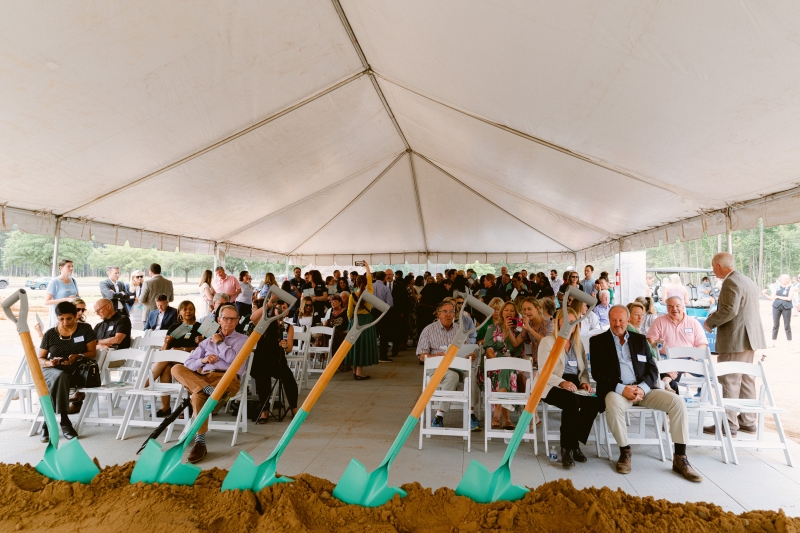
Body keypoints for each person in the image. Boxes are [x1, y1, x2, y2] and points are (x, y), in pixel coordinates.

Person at [590, 306, 702, 482]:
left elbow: (652, 369)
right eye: (613, 320)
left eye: (621, 320)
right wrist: (622, 389)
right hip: (618, 391)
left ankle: (680, 457)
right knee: (611, 402)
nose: (617, 324)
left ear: (628, 321)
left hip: (644, 390)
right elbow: (598, 374)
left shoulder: (639, 340)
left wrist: (642, 388)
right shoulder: (598, 342)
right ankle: (625, 451)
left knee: (677, 402)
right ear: (609, 320)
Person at [171, 304, 248, 462]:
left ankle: (200, 443)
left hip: (227, 378)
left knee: (197, 396)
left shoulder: (243, 340)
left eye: (233, 319)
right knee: (176, 369)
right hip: (204, 378)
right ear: (219, 320)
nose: (229, 322)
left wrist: (220, 343)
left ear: (237, 321)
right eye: (226, 318)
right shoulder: (206, 342)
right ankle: (209, 391)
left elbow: (234, 360)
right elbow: (189, 364)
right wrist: (204, 360)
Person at [703, 252, 767, 436]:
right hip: (749, 338)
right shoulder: (746, 280)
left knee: (729, 380)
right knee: (746, 379)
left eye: (713, 267)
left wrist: (710, 322)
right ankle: (748, 420)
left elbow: (730, 310)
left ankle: (728, 424)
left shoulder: (731, 282)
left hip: (735, 338)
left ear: (717, 266)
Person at [538, 308, 601, 468]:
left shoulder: (577, 344)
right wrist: (561, 383)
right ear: (559, 323)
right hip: (551, 383)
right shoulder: (547, 341)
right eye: (565, 321)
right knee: (571, 402)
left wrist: (585, 382)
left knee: (595, 402)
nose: (569, 325)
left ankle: (574, 443)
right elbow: (543, 372)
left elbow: (584, 370)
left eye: (573, 322)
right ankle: (567, 447)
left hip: (574, 382)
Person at [416, 300, 480, 431]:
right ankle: (439, 415)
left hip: (459, 365)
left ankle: (471, 413)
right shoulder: (429, 330)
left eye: (451, 311)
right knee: (452, 376)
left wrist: (470, 355)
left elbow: (468, 349)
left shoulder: (459, 331)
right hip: (437, 367)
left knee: (471, 375)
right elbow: (421, 356)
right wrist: (437, 356)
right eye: (445, 311)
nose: (448, 314)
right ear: (438, 314)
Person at [37, 302, 97, 442]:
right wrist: (49, 362)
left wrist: (78, 356)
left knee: (61, 378)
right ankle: (65, 421)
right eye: (61, 319)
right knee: (60, 376)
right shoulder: (50, 334)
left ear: (76, 315)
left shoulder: (85, 329)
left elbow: (92, 352)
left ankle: (47, 423)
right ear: (57, 318)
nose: (65, 322)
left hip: (76, 370)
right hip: (52, 370)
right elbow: (40, 358)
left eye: (69, 318)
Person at [250, 300, 299, 424]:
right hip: (262, 359)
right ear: (274, 309)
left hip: (278, 360)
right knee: (262, 378)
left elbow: (289, 349)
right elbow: (253, 317)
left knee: (289, 379)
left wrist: (285, 345)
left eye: (284, 307)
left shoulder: (288, 327)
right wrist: (267, 304)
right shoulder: (265, 322)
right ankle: (264, 410)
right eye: (279, 307)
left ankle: (294, 408)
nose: (282, 309)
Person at [646, 297, 708, 394]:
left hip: (689, 357)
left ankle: (701, 398)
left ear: (683, 307)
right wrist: (656, 343)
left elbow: (702, 344)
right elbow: (650, 340)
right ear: (667, 308)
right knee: (659, 363)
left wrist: (693, 359)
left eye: (677, 306)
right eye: (670, 306)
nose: (674, 309)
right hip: (665, 357)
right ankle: (667, 382)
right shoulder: (659, 321)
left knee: (708, 371)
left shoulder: (693, 323)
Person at [153, 301, 203, 416]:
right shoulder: (175, 327)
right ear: (179, 312)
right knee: (166, 368)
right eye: (185, 309)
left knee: (168, 356)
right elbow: (164, 351)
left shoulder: (199, 327)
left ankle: (146, 383)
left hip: (191, 360)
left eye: (191, 309)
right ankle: (165, 407)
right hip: (173, 359)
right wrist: (167, 342)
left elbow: (204, 350)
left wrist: (199, 343)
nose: (188, 311)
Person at [482, 301, 525, 430]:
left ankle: (498, 414)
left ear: (516, 314)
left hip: (512, 364)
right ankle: (506, 417)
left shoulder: (519, 332)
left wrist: (509, 331)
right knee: (506, 370)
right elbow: (488, 349)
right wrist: (498, 362)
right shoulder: (493, 329)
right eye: (506, 310)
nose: (509, 313)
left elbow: (518, 352)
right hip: (494, 365)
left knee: (508, 371)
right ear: (502, 313)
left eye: (512, 311)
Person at [346, 262, 378, 380]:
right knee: (364, 345)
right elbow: (369, 279)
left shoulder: (352, 296)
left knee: (355, 345)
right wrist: (367, 267)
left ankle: (355, 371)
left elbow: (349, 312)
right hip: (367, 321)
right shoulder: (369, 292)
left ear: (356, 283)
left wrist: (350, 320)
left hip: (355, 321)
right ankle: (359, 372)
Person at [45, 259, 79, 328]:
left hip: (72, 316)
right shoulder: (54, 282)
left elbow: (78, 297)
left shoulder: (73, 281)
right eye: (68, 266)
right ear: (61, 268)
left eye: (72, 266)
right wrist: (65, 300)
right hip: (59, 316)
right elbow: (46, 302)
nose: (71, 268)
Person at [520, 297, 554, 368]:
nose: (526, 312)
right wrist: (509, 329)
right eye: (524, 309)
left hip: (547, 364)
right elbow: (518, 342)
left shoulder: (549, 324)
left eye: (529, 309)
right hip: (535, 364)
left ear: (537, 309)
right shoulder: (529, 324)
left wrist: (529, 329)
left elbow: (546, 342)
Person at [763, 274, 795, 347]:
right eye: (784, 278)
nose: (785, 280)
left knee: (787, 325)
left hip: (787, 307)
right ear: (781, 279)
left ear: (789, 280)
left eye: (787, 278)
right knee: (775, 325)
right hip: (776, 307)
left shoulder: (791, 287)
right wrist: (764, 294)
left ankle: (790, 343)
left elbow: (789, 298)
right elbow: (772, 298)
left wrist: (777, 297)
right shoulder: (776, 287)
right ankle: (773, 342)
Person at [372, 271, 394, 363]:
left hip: (372, 312)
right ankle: (383, 356)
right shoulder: (385, 288)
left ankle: (372, 355)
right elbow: (390, 304)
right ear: (384, 278)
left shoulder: (370, 287)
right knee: (384, 335)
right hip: (383, 312)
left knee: (373, 334)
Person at [325, 294, 350, 372]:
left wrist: (347, 330)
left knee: (333, 332)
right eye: (331, 302)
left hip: (342, 333)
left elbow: (350, 323)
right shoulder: (331, 312)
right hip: (331, 335)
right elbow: (328, 325)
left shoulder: (345, 311)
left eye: (335, 301)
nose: (333, 303)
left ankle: (332, 362)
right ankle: (331, 362)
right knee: (326, 332)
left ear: (340, 302)